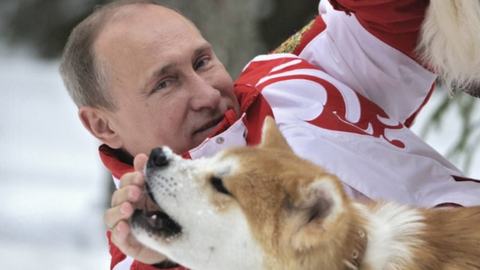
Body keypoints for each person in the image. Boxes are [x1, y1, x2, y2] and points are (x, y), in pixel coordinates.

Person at [59, 0, 480, 269]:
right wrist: (174, 253)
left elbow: (394, 17)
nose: (207, 94)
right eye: (165, 83)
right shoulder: (145, 254)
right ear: (103, 124)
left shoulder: (290, 76)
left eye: (202, 61)